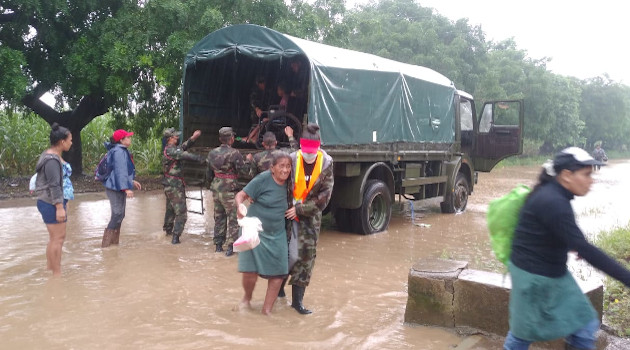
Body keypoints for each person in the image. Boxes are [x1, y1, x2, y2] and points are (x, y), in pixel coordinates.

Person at [504, 147, 630, 350]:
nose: (592, 180)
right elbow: (587, 250)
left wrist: (567, 243)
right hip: (534, 278)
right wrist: (626, 277)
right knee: (522, 335)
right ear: (567, 175)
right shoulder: (554, 202)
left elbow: (546, 232)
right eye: (587, 174)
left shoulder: (553, 194)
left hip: (551, 274)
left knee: (584, 325)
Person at [284, 123, 334, 314]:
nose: (309, 154)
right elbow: (279, 182)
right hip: (286, 215)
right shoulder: (291, 159)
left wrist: (300, 209)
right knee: (285, 255)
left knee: (305, 258)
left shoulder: (327, 163)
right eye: (306, 149)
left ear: (319, 145)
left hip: (310, 218)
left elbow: (324, 198)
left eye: (312, 150)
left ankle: (297, 303)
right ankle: (278, 291)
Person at [235, 151, 293, 315]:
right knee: (250, 272)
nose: (285, 170)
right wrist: (240, 206)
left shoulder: (292, 182)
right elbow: (241, 195)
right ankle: (246, 299)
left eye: (288, 166)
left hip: (277, 233)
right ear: (272, 168)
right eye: (281, 166)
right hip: (254, 231)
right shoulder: (263, 179)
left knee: (279, 273)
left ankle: (266, 311)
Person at [206, 127, 254, 256]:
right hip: (230, 190)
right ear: (232, 139)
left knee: (219, 217)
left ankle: (218, 245)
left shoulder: (212, 153)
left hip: (216, 189)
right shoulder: (235, 153)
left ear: (220, 139)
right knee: (234, 218)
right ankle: (231, 247)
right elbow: (243, 171)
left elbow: (208, 173)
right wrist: (248, 160)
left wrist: (210, 185)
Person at [34, 122, 73, 277]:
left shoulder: (49, 155)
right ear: (62, 142)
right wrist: (59, 206)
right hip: (51, 202)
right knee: (58, 238)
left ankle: (50, 267)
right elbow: (54, 185)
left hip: (47, 201)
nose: (71, 143)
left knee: (54, 238)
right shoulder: (52, 160)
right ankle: (57, 274)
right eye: (70, 140)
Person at [162, 127, 205, 244]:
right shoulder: (171, 150)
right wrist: (200, 159)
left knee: (170, 210)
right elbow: (185, 154)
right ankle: (175, 238)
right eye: (175, 136)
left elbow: (183, 147)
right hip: (174, 186)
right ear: (170, 138)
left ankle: (168, 232)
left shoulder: (172, 149)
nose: (177, 137)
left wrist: (193, 138)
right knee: (182, 213)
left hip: (170, 185)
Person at [101, 129, 142, 248]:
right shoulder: (119, 151)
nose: (130, 139)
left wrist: (131, 182)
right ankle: (106, 246)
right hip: (115, 187)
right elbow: (120, 171)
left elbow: (120, 171)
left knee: (120, 214)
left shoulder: (121, 150)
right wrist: (126, 188)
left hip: (117, 185)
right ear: (121, 140)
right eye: (128, 137)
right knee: (117, 213)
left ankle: (113, 245)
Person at [244, 76, 273, 144]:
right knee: (257, 122)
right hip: (257, 111)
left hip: (267, 111)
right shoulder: (255, 91)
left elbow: (269, 103)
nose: (262, 85)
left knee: (262, 122)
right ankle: (251, 137)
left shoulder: (268, 91)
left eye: (263, 83)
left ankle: (252, 137)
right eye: (260, 83)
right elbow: (253, 101)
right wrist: (257, 109)